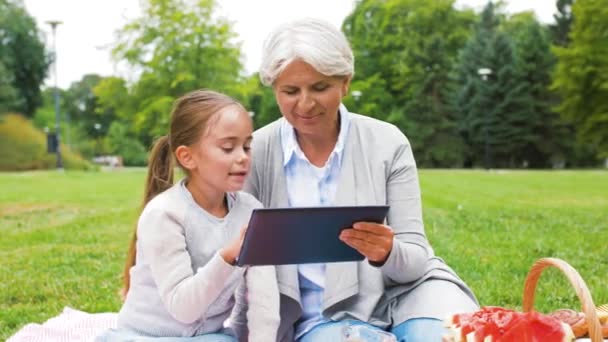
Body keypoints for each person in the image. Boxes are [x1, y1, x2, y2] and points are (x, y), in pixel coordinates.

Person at [234, 18, 479, 342]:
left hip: (409, 293)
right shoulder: (255, 152)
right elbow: (233, 255)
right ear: (274, 88)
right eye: (290, 91)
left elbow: (414, 262)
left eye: (320, 87)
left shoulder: (387, 142)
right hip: (318, 317)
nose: (305, 104)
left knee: (440, 336)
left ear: (345, 83)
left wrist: (387, 251)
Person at [95, 90, 279, 342]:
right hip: (144, 337)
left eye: (247, 146)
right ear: (187, 157)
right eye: (228, 147)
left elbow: (264, 305)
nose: (243, 157)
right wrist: (227, 257)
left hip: (210, 337)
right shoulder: (163, 214)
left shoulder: (252, 212)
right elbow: (184, 309)